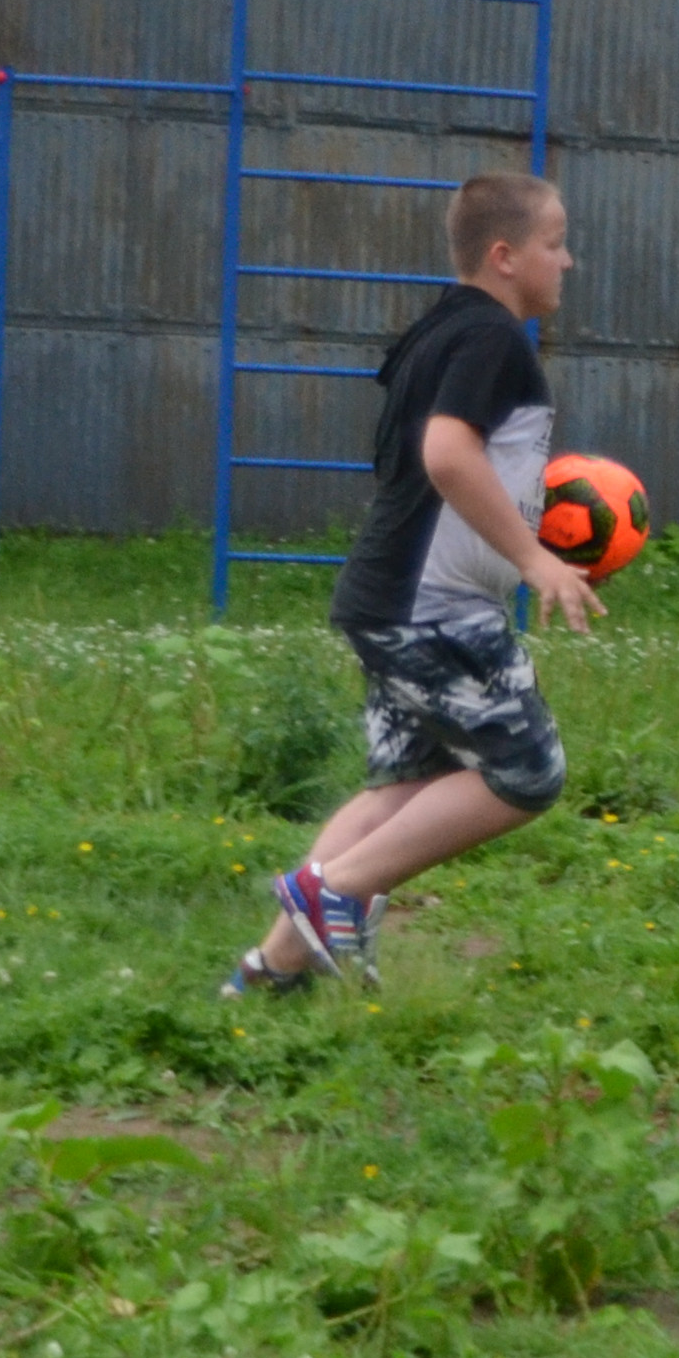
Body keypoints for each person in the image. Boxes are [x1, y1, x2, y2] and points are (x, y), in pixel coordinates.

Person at [224, 172, 605, 997]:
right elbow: (446, 454)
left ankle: (270, 971)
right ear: (504, 257)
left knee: (408, 786)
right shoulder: (494, 340)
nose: (568, 260)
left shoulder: (440, 329)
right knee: (528, 771)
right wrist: (536, 559)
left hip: (386, 597)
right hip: (430, 609)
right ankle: (331, 893)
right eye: (554, 242)